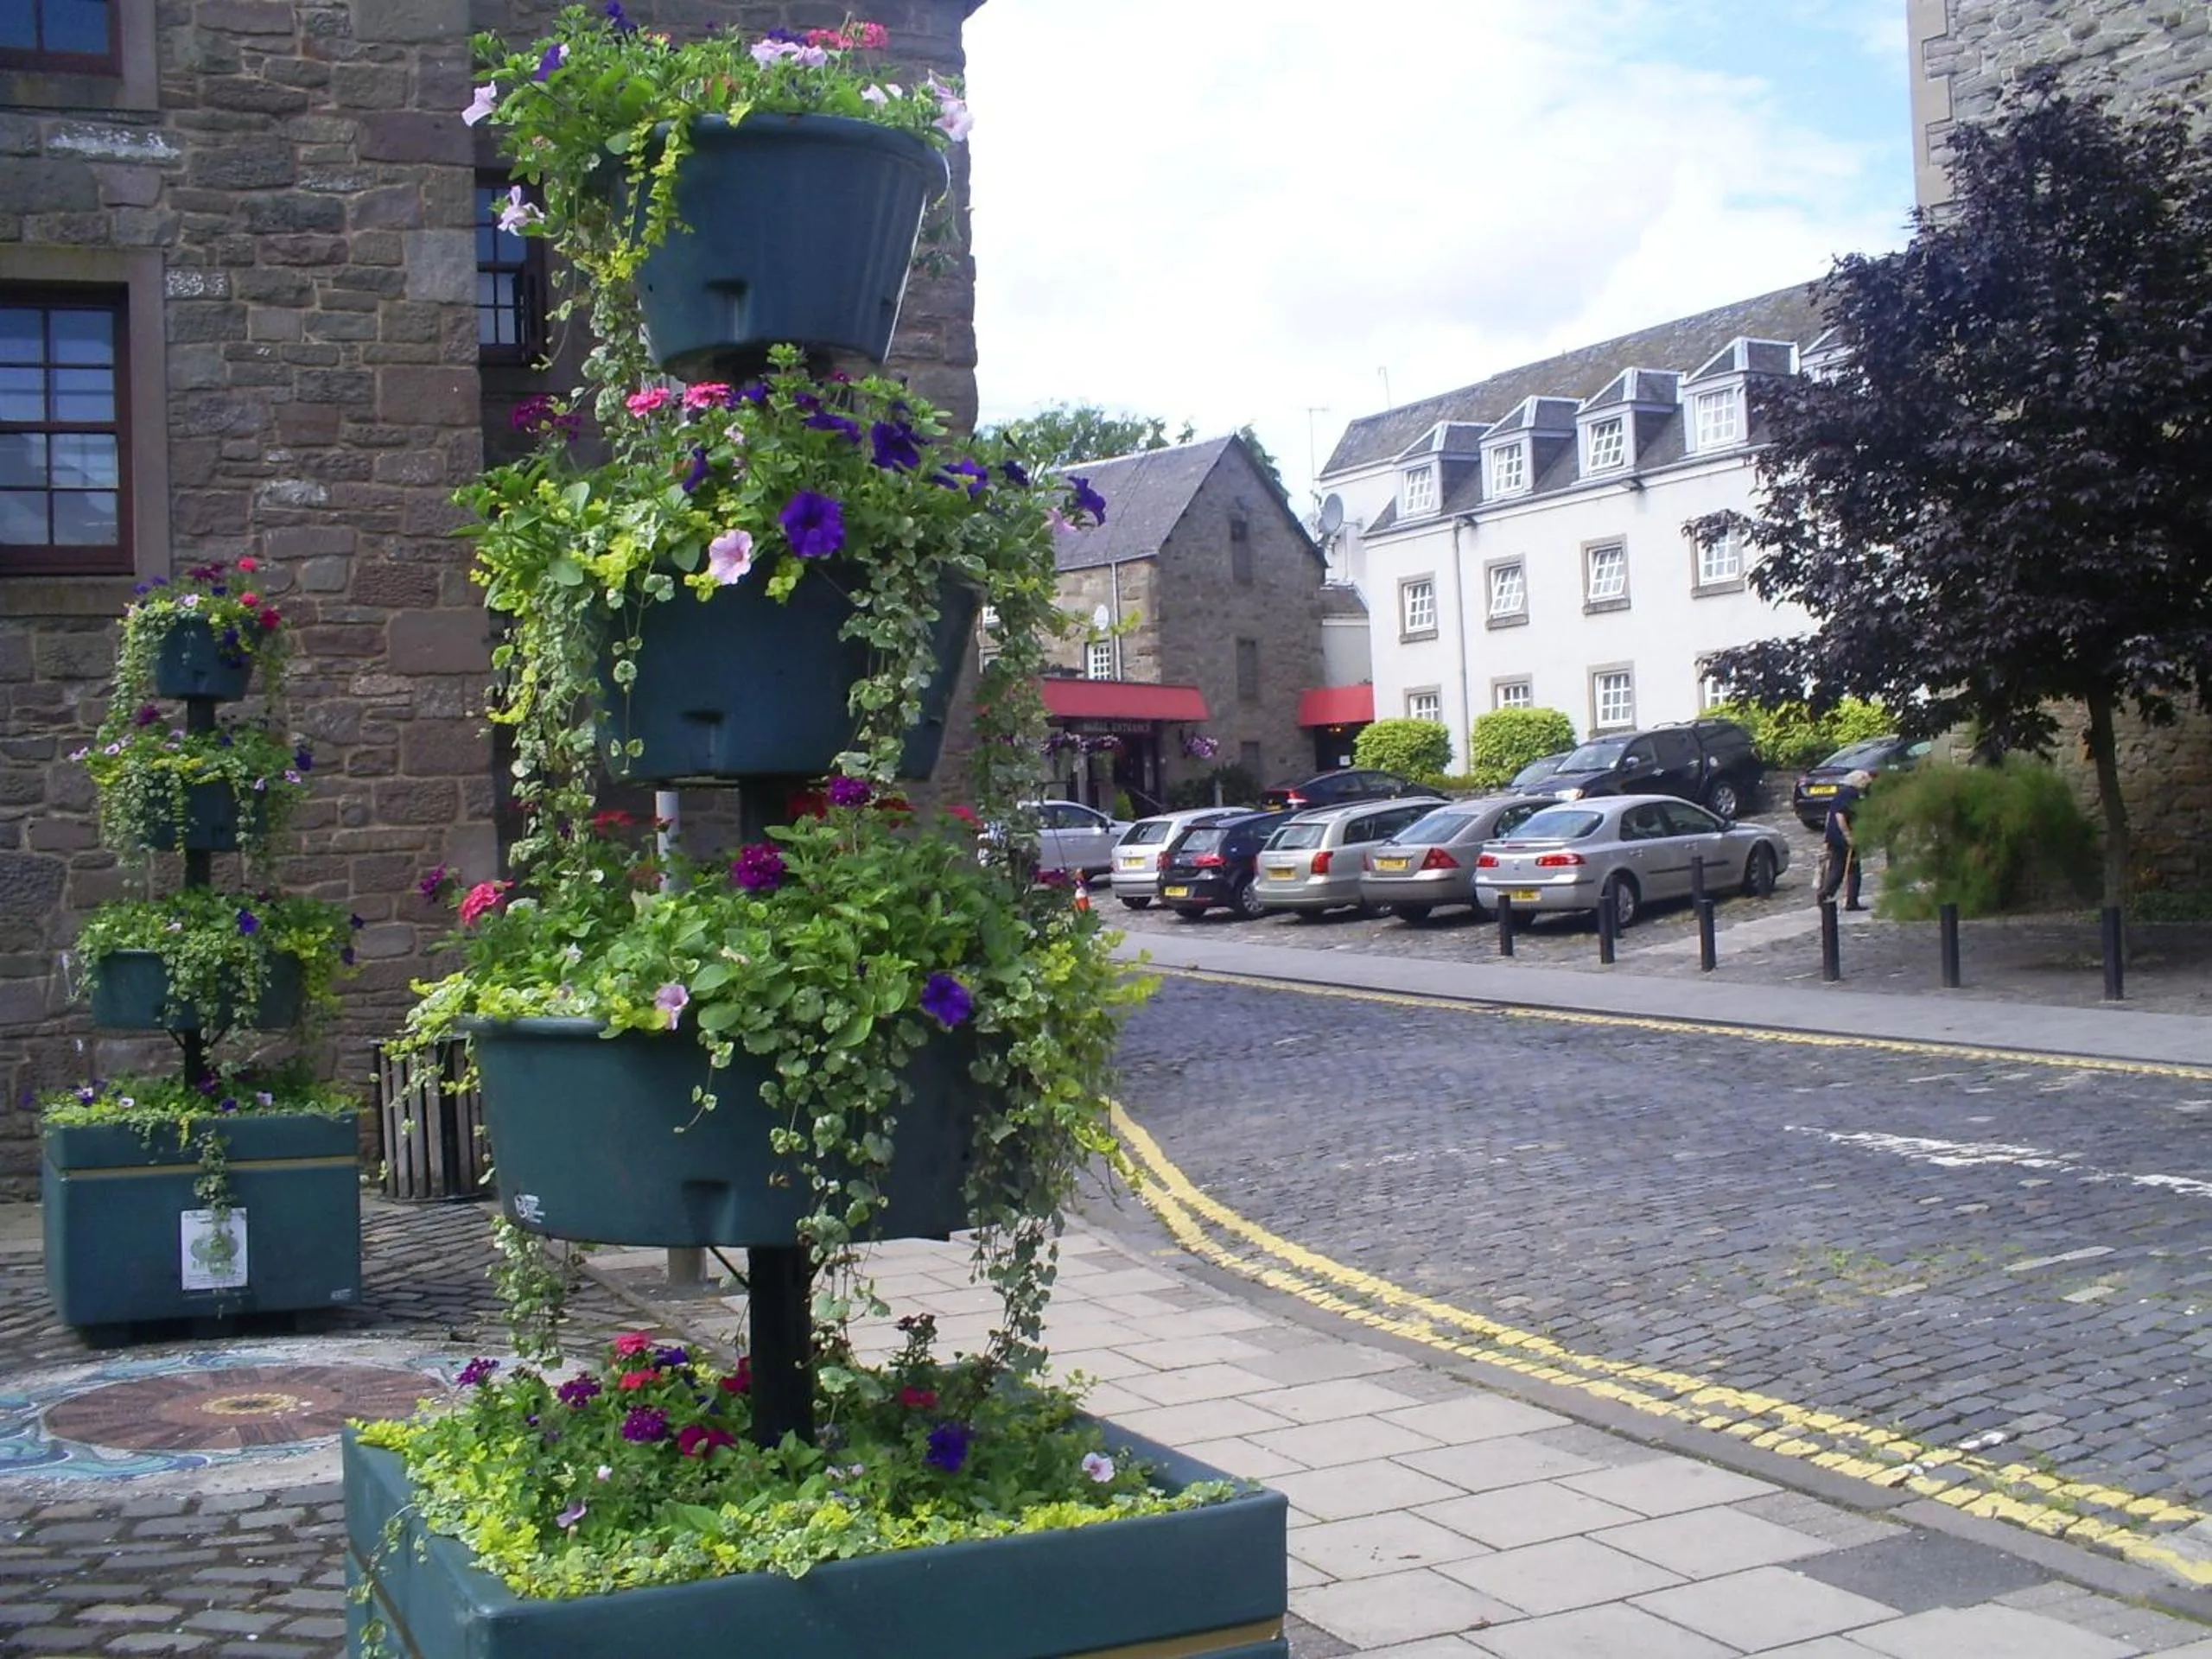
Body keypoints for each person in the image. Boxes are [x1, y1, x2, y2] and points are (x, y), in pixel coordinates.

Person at [1816, 768, 1874, 911]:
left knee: (1847, 869)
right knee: (1844, 869)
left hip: (1836, 836)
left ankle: (1845, 899)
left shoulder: (1845, 793)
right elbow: (1839, 815)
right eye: (1865, 780)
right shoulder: (1850, 794)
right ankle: (1828, 896)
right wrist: (1848, 836)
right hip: (1842, 837)